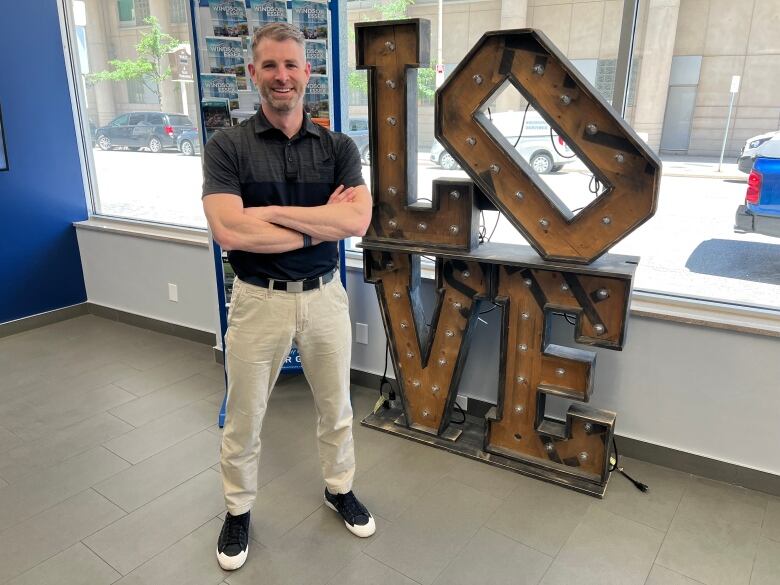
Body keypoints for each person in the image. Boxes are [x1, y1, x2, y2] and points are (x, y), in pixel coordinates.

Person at [201, 22, 374, 571]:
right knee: (245, 417)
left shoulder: (338, 147)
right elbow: (229, 231)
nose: (282, 77)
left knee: (337, 408)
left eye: (291, 66)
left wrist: (271, 214)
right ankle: (238, 510)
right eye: (270, 66)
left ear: (308, 73)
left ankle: (338, 487)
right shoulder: (227, 146)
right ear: (253, 73)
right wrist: (319, 224)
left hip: (325, 298)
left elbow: (358, 218)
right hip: (257, 300)